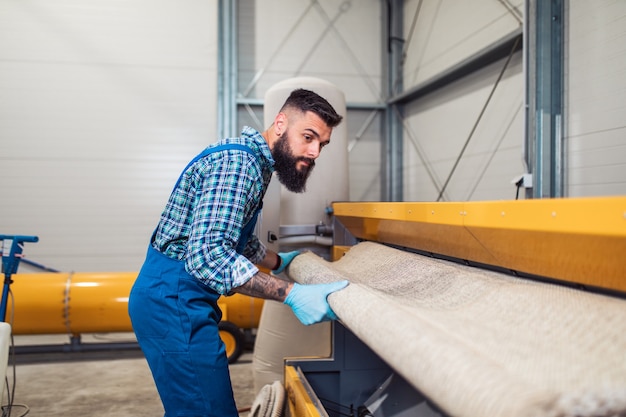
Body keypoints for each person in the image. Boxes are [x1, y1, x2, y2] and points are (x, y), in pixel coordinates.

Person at [128, 88, 349, 417]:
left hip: (178, 299)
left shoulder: (253, 163)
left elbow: (236, 238)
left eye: (322, 144)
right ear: (280, 123)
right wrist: (292, 294)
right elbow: (208, 257)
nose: (315, 151)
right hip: (172, 302)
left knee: (192, 407)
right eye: (308, 136)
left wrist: (280, 261)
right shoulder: (239, 164)